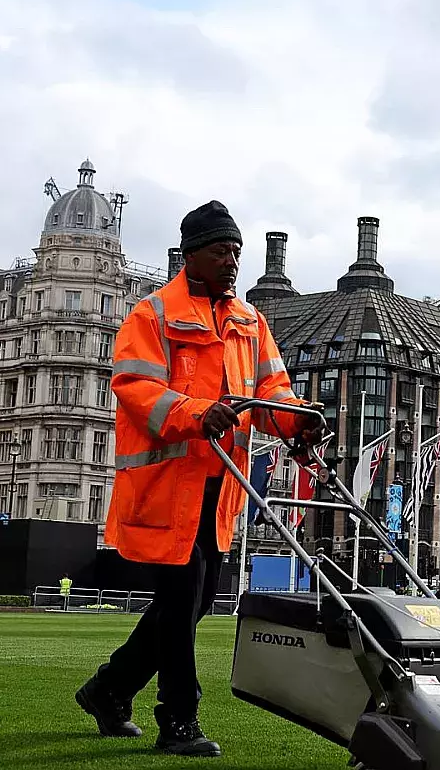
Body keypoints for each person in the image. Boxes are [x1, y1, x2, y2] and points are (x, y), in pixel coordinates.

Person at [75, 201, 323, 757]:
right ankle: (177, 719)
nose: (232, 260)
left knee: (190, 603)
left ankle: (109, 689)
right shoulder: (153, 314)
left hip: (219, 490)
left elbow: (271, 395)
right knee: (183, 600)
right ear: (191, 256)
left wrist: (298, 420)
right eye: (221, 251)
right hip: (169, 487)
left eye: (236, 251)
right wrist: (196, 412)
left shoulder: (250, 323)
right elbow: (134, 388)